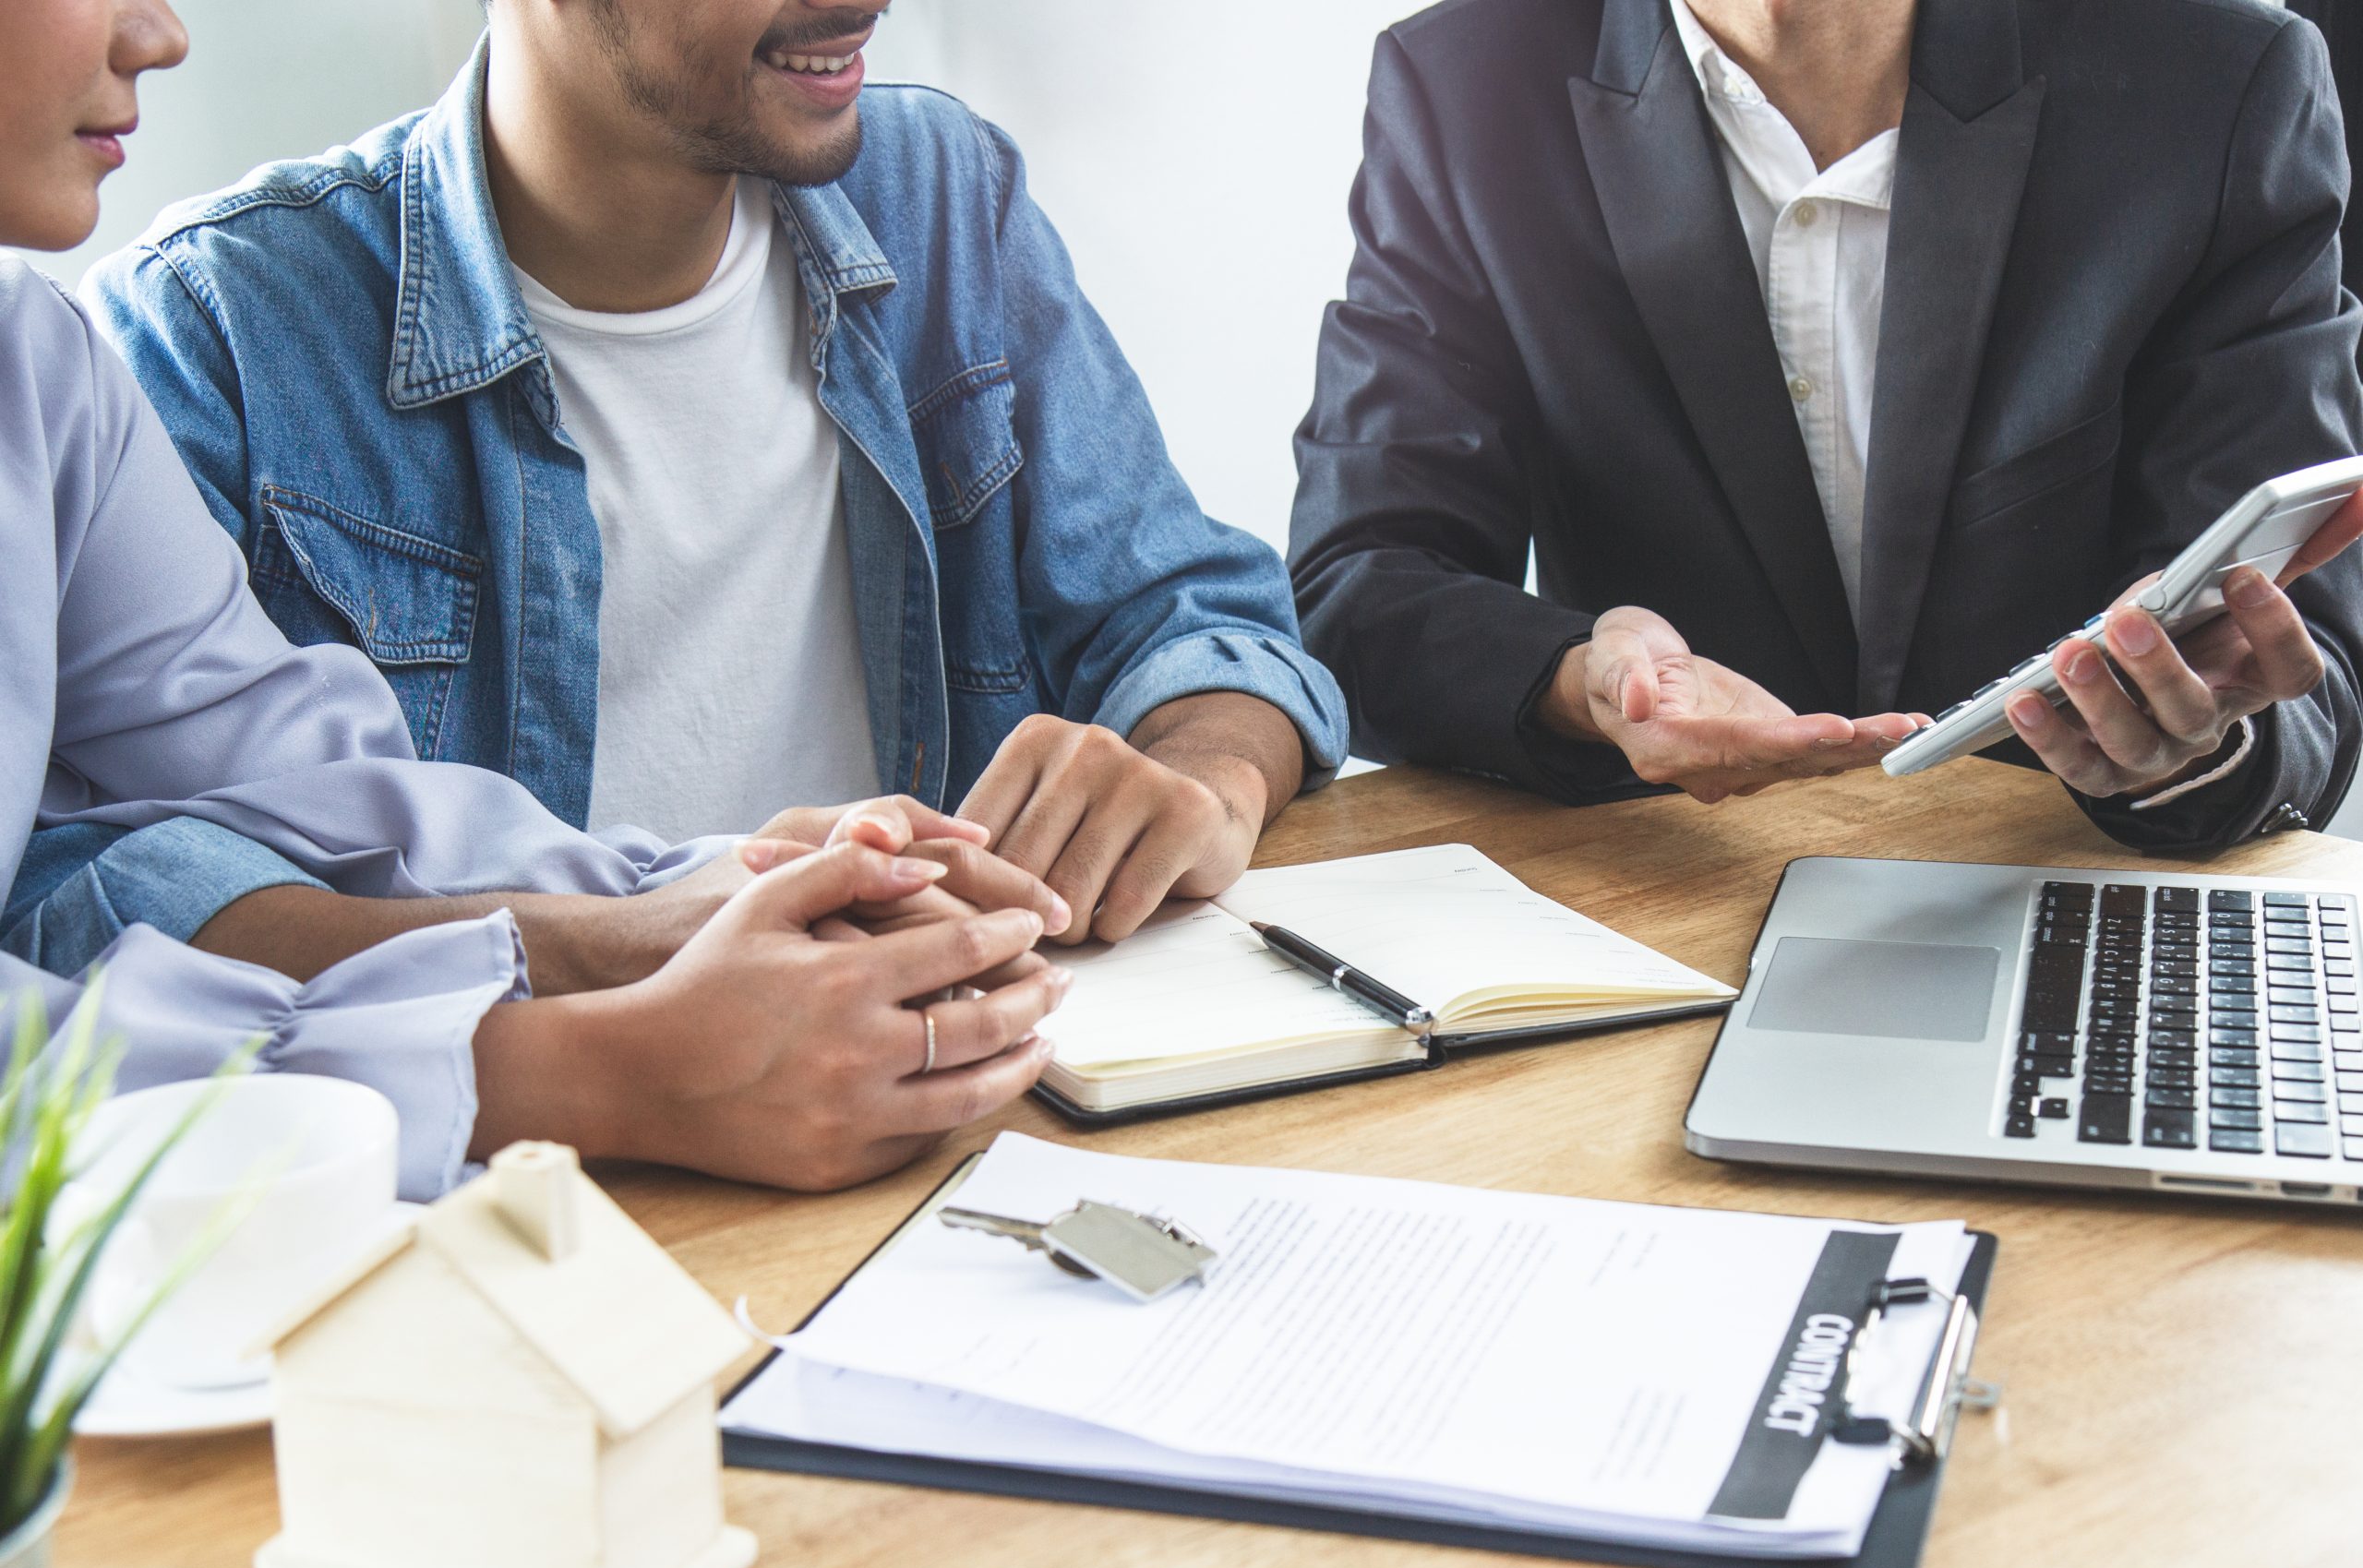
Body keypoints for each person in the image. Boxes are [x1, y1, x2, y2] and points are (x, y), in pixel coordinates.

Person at [1, 0, 1070, 1198]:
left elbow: (289, 780)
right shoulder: (195, 317)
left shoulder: (34, 366)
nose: (161, 34)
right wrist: (589, 1069)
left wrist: (698, 893)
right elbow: (75, 909)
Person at [56, 0, 1348, 982]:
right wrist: (635, 950)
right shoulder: (209, 329)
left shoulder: (940, 195)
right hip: (521, 1176)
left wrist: (1206, 779)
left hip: (954, 1103)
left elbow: (1194, 618)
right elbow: (109, 902)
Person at [1290, 0, 2363, 850]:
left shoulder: (2218, 81)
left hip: (2068, 891)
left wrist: (2186, 744)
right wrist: (1589, 680)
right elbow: (1360, 584)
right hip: (1669, 899)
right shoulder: (1462, 84)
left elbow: (2304, 661)